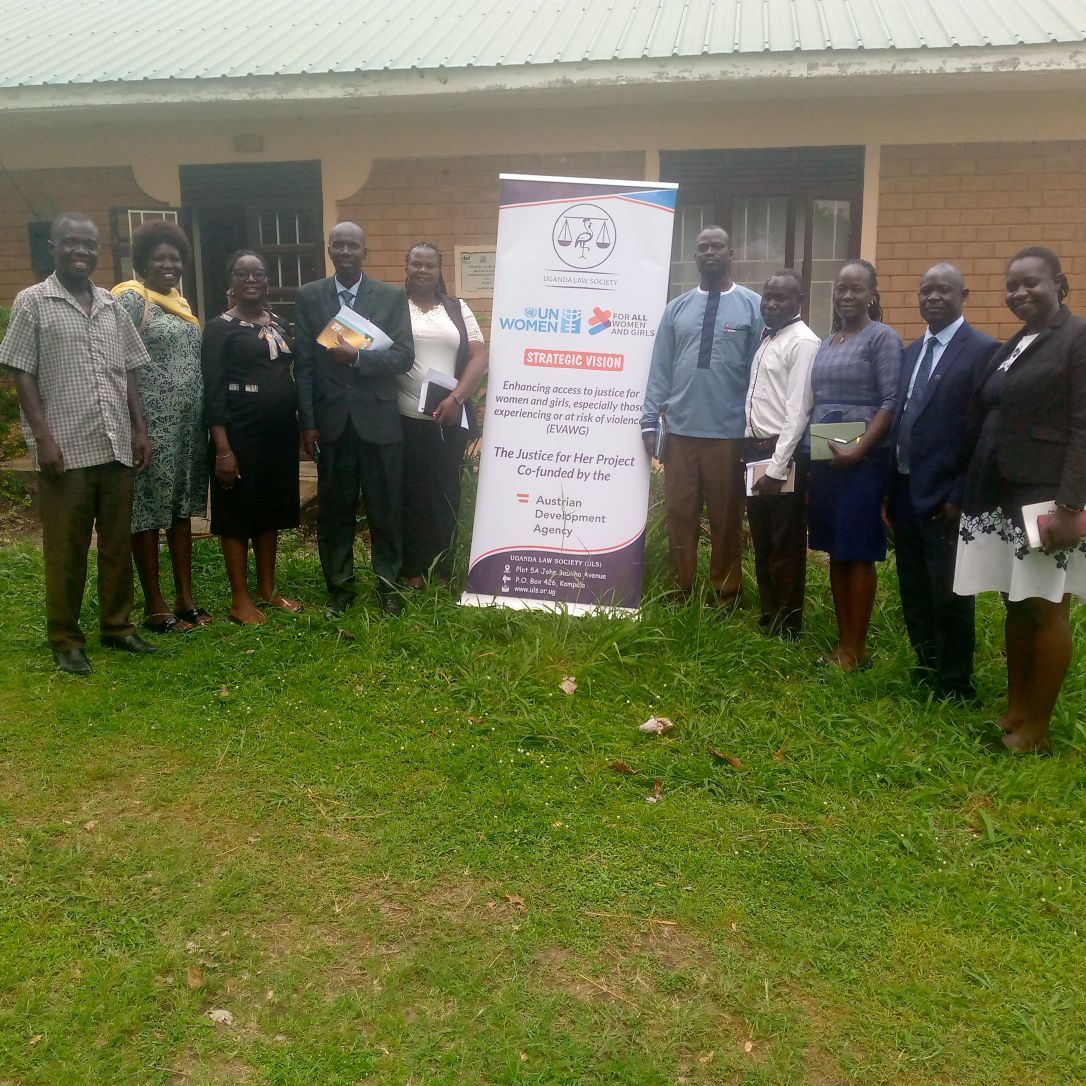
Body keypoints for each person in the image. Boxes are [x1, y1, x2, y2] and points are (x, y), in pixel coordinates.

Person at [0, 211, 155, 673]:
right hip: (64, 450)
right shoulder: (33, 302)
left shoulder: (111, 305)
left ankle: (118, 627)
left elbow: (128, 368)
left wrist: (139, 428)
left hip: (115, 445)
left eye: (89, 244)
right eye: (72, 242)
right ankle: (65, 637)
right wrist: (42, 439)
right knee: (66, 547)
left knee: (115, 544)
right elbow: (20, 371)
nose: (81, 251)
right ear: (53, 245)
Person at [954, 246, 1086, 754]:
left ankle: (1038, 729)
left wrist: (1071, 505)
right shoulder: (1017, 343)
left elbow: (1082, 425)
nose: (1019, 293)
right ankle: (1015, 710)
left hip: (1046, 497)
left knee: (1046, 606)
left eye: (1031, 282)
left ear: (1059, 282)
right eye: (1012, 286)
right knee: (1016, 603)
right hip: (1002, 493)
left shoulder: (1076, 338)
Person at [885, 263, 998, 699]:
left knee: (951, 592)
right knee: (913, 587)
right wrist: (887, 492)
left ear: (964, 295)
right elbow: (902, 421)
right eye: (926, 290)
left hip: (948, 499)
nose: (932, 297)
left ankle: (955, 682)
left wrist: (960, 495)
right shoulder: (912, 353)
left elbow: (981, 434)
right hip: (904, 490)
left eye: (943, 290)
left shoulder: (984, 351)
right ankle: (926, 664)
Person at [293, 222, 414, 617]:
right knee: (335, 512)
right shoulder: (310, 296)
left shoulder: (391, 296)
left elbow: (403, 357)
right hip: (332, 422)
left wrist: (359, 357)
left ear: (366, 251)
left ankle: (389, 587)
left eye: (353, 246)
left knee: (385, 509)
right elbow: (306, 364)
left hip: (378, 420)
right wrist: (309, 422)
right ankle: (340, 589)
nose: (346, 251)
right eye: (338, 245)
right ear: (329, 249)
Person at [641, 226, 764, 603]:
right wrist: (649, 421)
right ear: (694, 257)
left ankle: (725, 594)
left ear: (731, 254)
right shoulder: (676, 309)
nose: (709, 252)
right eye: (702, 248)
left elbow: (760, 373)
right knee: (680, 514)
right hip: (680, 433)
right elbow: (660, 368)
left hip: (728, 435)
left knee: (727, 519)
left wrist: (754, 433)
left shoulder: (752, 306)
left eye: (717, 247)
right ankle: (680, 589)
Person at [112, 220, 211, 634]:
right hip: (151, 429)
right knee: (148, 513)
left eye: (175, 258)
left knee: (180, 510)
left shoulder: (180, 304)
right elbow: (123, 365)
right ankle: (155, 605)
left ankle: (185, 597)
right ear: (142, 262)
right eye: (159, 258)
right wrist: (137, 428)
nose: (168, 265)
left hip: (188, 429)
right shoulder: (132, 300)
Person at [808, 259, 902, 671]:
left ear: (871, 294)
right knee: (835, 550)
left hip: (863, 461)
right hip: (828, 458)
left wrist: (861, 449)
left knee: (858, 551)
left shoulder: (881, 338)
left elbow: (890, 402)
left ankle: (856, 647)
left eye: (856, 289)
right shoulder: (829, 343)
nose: (847, 296)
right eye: (841, 288)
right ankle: (841, 643)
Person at [201, 251, 302, 625]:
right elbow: (212, 392)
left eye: (258, 273)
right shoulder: (219, 328)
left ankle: (267, 589)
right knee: (238, 513)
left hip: (278, 433)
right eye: (242, 273)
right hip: (239, 433)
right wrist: (223, 448)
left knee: (269, 509)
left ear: (267, 280)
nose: (251, 279)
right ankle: (240, 599)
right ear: (231, 280)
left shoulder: (279, 322)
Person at [398, 242, 487, 588]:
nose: (422, 270)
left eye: (429, 265)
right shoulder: (393, 306)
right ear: (406, 266)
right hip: (400, 419)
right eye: (416, 264)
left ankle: (441, 568)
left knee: (444, 494)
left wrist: (456, 397)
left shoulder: (456, 307)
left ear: (439, 269)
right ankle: (411, 570)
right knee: (408, 495)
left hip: (447, 419)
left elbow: (479, 356)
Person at [744, 269, 820, 638]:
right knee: (763, 539)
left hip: (780, 456)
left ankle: (788, 626)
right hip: (754, 452)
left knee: (785, 544)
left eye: (781, 298)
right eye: (767, 296)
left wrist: (777, 467)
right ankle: (768, 618)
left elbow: (798, 411)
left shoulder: (803, 342)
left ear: (799, 301)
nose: (771, 303)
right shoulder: (766, 339)